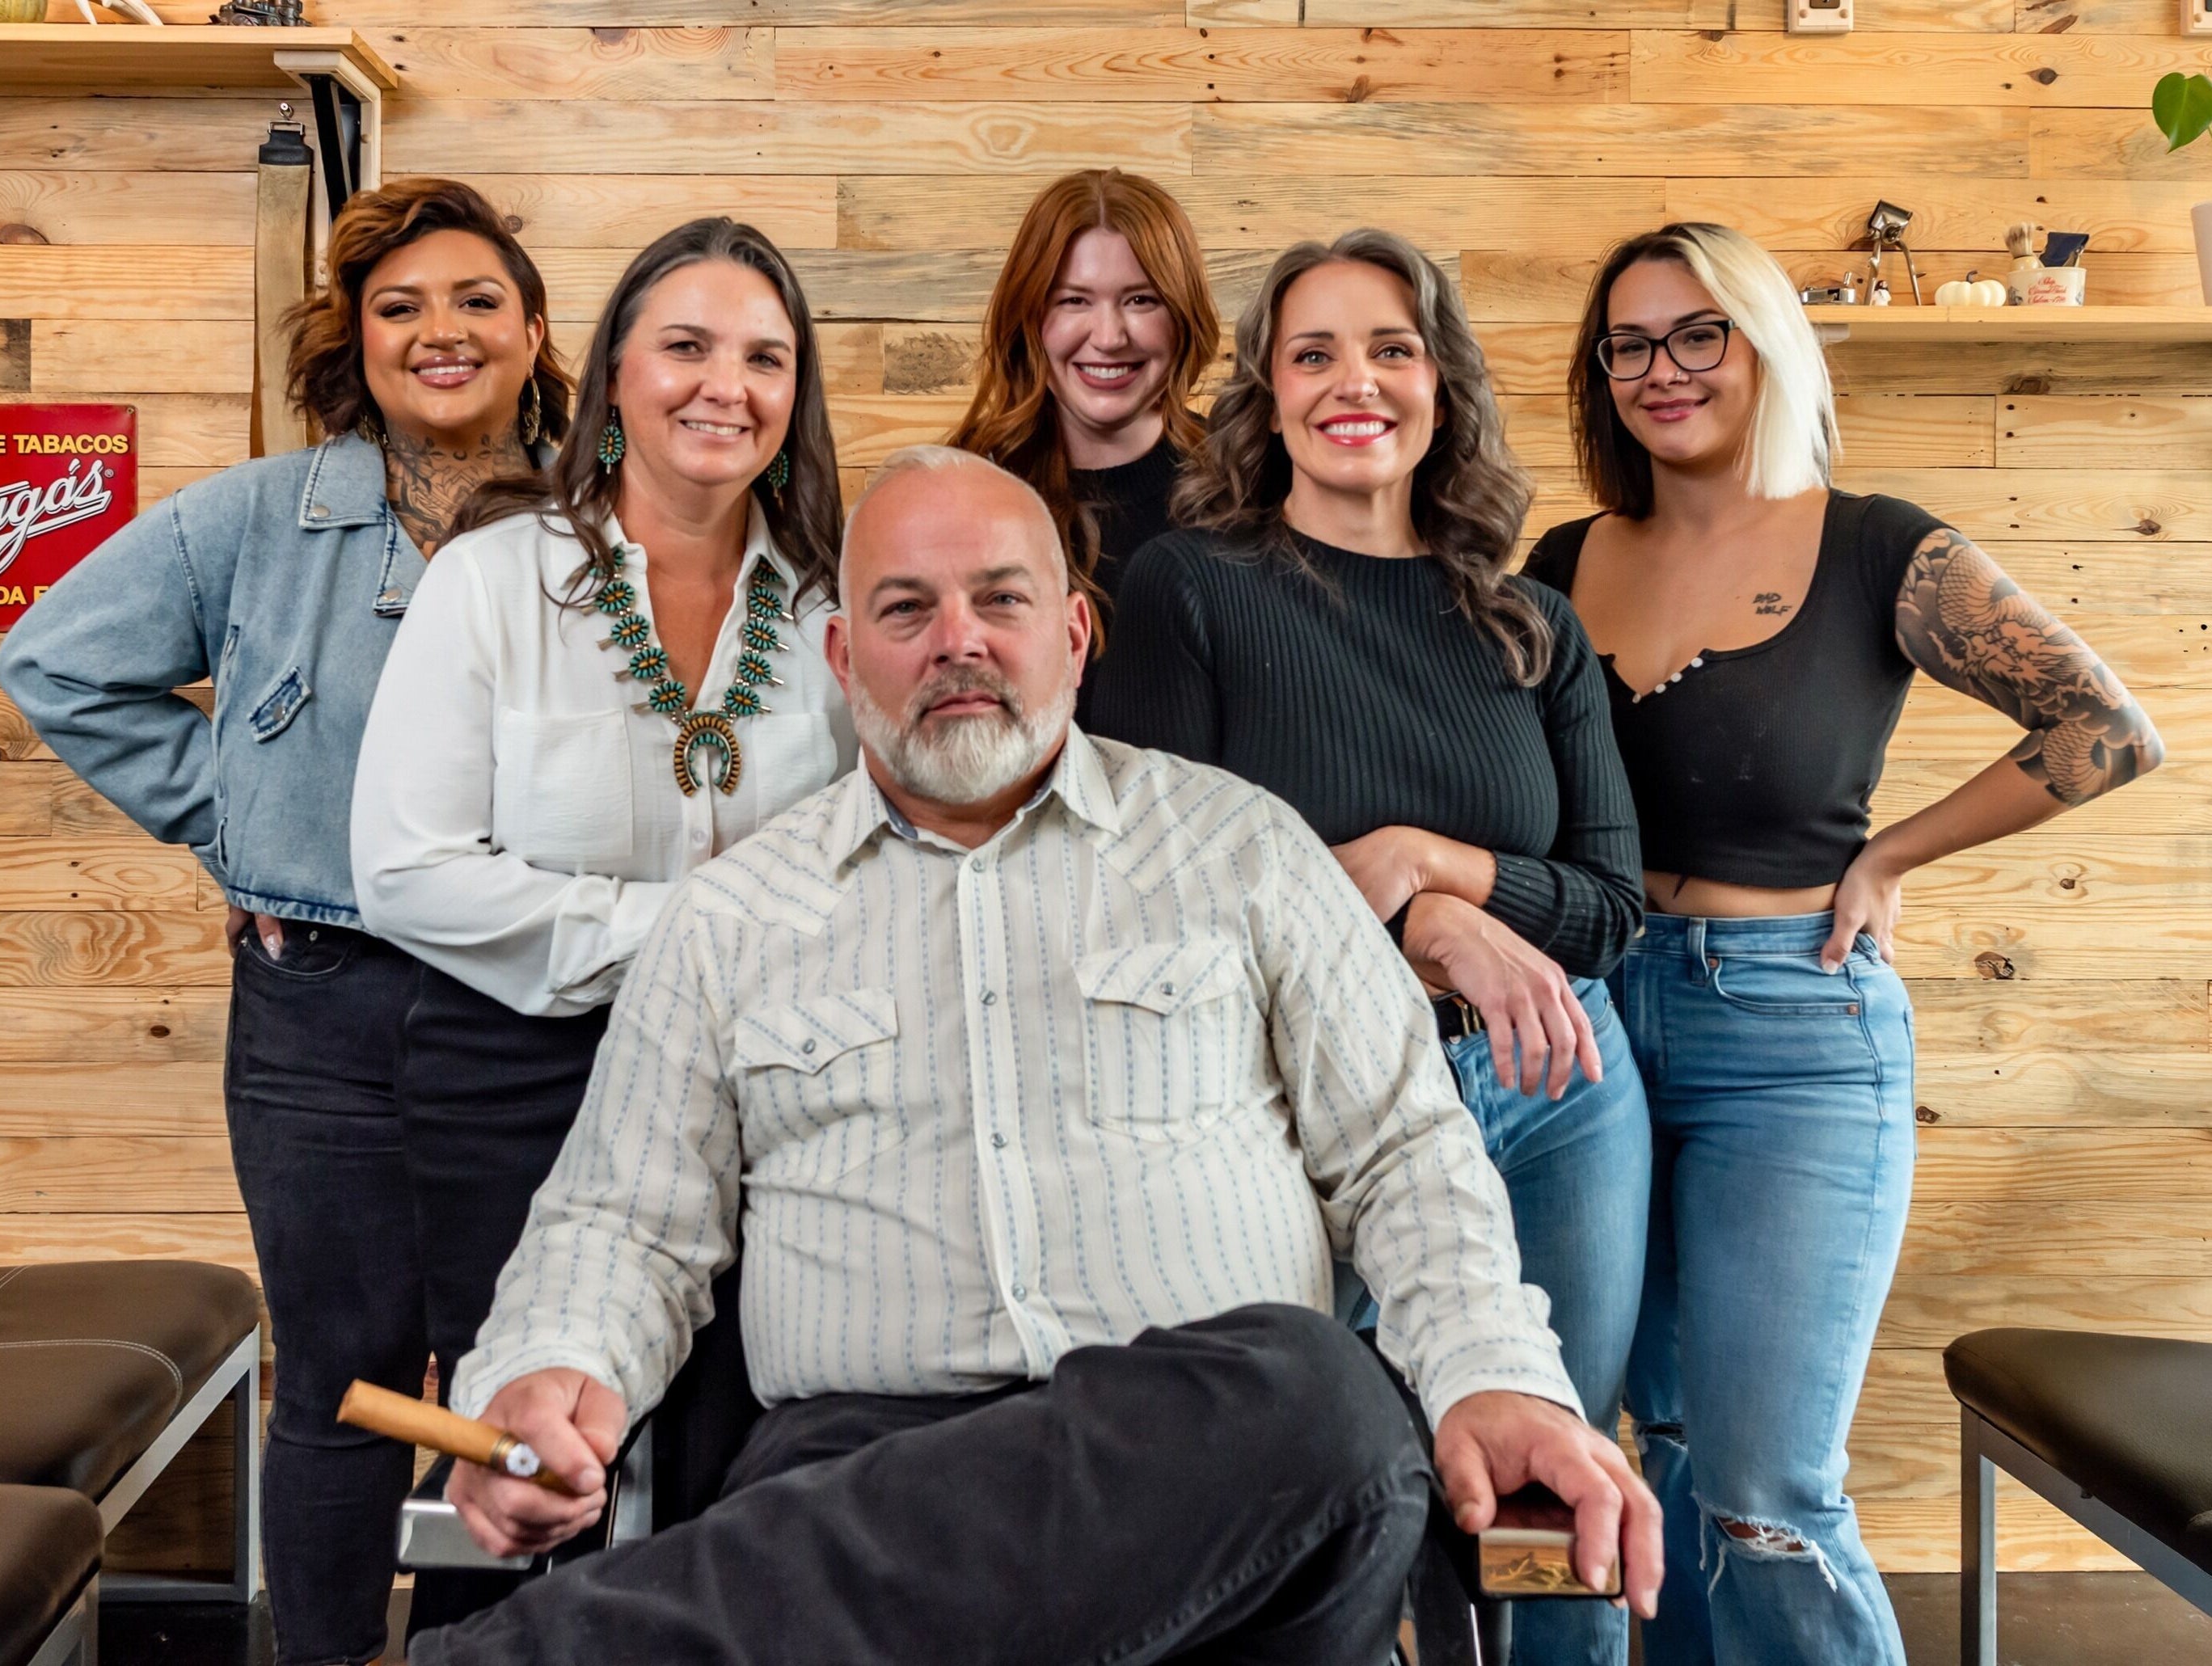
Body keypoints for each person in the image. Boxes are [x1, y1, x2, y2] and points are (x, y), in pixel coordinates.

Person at [411, 447, 1662, 1666]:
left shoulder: (1243, 850)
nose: (959, 640)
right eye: (906, 609)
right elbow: (621, 1223)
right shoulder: (731, 918)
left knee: (1320, 1398)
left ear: (1073, 633)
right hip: (868, 1482)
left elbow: (1406, 1155)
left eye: (1000, 599)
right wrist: (550, 1369)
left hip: (1222, 1489)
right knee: (1314, 1410)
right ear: (846, 659)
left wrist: (1499, 1377)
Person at [1524, 221, 2165, 1666]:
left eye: (1698, 333)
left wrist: (1891, 851)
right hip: (1590, 1031)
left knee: (1766, 1490)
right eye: (1626, 343)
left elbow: (2106, 729)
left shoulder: (1878, 545)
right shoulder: (1563, 560)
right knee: (1660, 1444)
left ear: (1762, 342)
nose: (1659, 369)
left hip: (1789, 1034)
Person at [0, 178, 571, 1666]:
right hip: (323, 1011)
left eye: (473, 301)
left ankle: (477, 1651)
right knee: (340, 1369)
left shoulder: (608, 521)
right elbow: (56, 662)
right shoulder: (255, 519)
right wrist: (232, 817)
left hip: (549, 1010)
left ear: (535, 330)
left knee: (526, 1373)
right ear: (355, 342)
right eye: (399, 309)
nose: (438, 332)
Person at [1094, 230, 1647, 1666]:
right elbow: (1160, 905)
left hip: (1559, 1092)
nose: (1358, 382)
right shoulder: (1188, 589)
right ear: (1265, 397)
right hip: (1304, 1110)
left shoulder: (1531, 624)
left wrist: (1437, 877)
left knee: (1546, 1504)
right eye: (1315, 353)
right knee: (1325, 1497)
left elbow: (1607, 901)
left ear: (1440, 384)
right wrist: (1417, 925)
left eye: (1391, 348)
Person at [346, 215, 856, 1626]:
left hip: (777, 1094)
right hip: (519, 1076)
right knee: (525, 1465)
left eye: (764, 357)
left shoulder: (832, 599)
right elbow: (406, 867)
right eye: (685, 347)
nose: (725, 386)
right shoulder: (495, 580)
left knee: (736, 1455)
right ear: (616, 377)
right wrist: (692, 933)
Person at [945, 167, 1221, 723]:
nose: (1109, 335)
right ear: (1030, 318)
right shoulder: (964, 492)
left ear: (1182, 316)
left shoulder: (1242, 482)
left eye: (1141, 300)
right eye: (1074, 301)